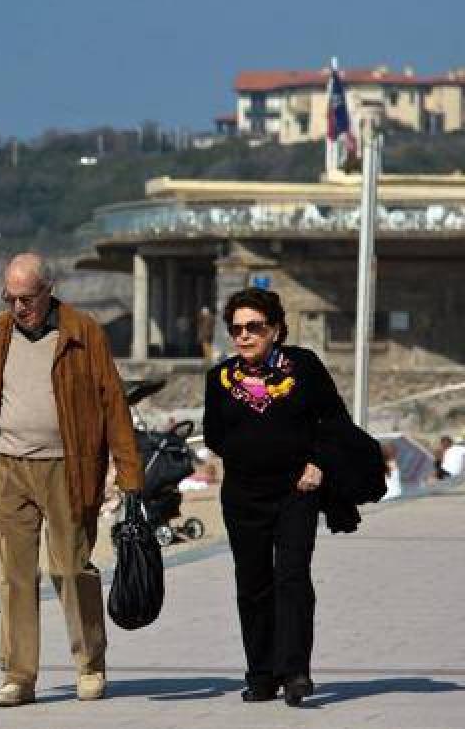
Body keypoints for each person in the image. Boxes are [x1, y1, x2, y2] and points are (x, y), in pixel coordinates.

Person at [0, 252, 142, 707]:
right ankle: (19, 676)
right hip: (9, 466)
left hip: (69, 465)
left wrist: (129, 472)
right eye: (10, 298)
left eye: (27, 298)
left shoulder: (82, 333)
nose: (19, 307)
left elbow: (113, 404)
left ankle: (90, 665)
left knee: (71, 567)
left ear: (48, 290)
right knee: (16, 574)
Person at [204, 287, 349, 707]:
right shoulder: (221, 378)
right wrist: (248, 453)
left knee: (292, 578)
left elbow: (333, 419)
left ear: (276, 330)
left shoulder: (303, 367)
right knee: (252, 585)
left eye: (254, 327)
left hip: (295, 492)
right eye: (237, 329)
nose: (244, 336)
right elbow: (214, 433)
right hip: (243, 496)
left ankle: (295, 671)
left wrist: (317, 463)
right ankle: (261, 674)